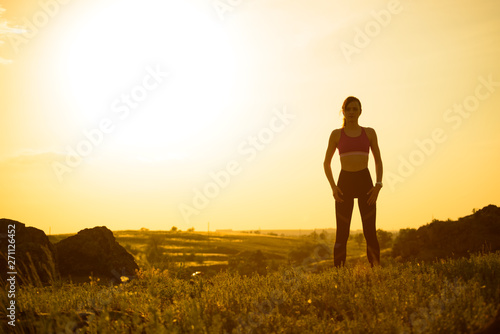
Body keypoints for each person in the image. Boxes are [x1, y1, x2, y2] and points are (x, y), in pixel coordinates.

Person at [323, 96, 383, 267]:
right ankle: (339, 273)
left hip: (365, 181)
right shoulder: (336, 134)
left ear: (360, 111)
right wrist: (334, 187)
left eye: (354, 109)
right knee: (342, 233)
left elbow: (378, 160)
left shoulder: (369, 132)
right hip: (345, 183)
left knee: (370, 231)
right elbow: (326, 163)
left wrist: (378, 185)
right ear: (343, 111)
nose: (351, 112)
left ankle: (375, 270)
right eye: (348, 109)